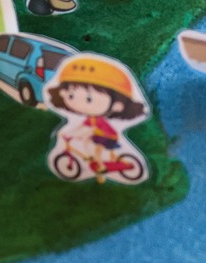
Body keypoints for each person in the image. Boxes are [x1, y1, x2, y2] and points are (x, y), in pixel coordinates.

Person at [43, 56, 149, 185]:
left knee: (95, 150)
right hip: (98, 136)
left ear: (117, 105)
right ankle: (94, 165)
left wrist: (79, 134)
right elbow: (81, 127)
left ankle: (101, 167)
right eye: (71, 95)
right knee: (87, 145)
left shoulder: (98, 121)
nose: (79, 103)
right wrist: (68, 133)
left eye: (89, 99)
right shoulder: (91, 119)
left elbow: (89, 130)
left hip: (107, 137)